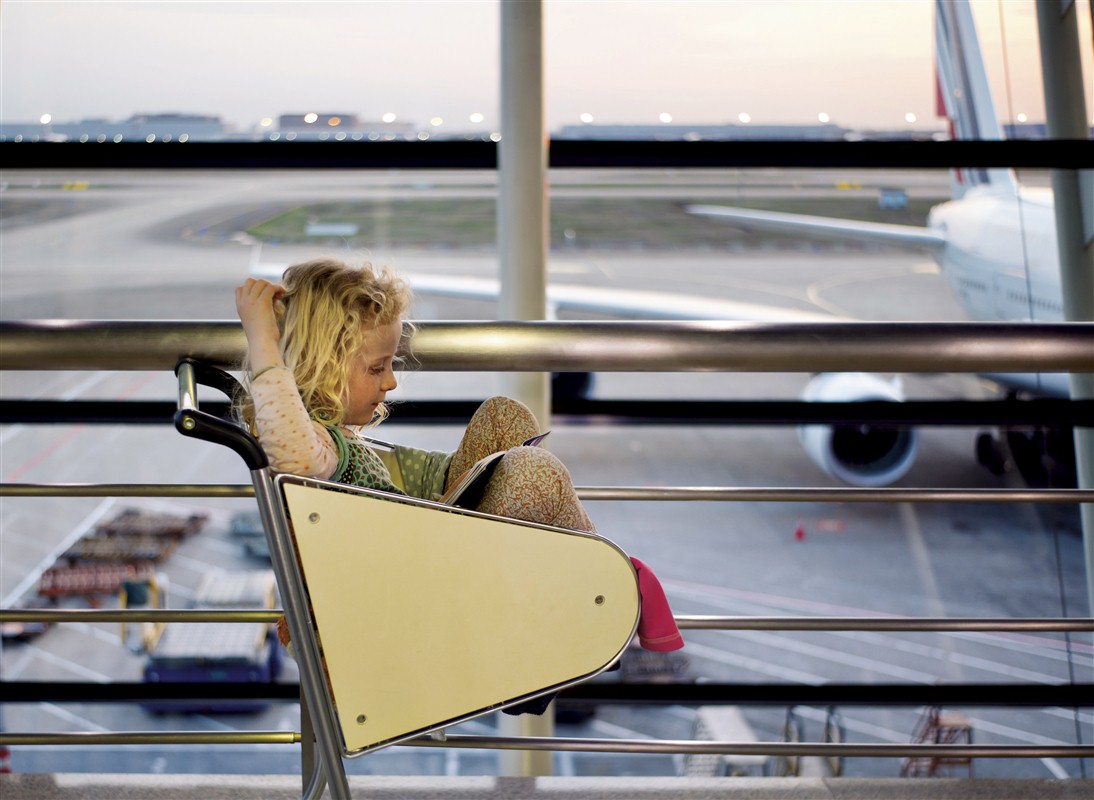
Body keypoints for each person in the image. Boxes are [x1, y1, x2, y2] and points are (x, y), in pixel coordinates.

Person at [235, 257, 683, 710]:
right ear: (321, 365)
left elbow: (398, 488)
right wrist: (263, 342)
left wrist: (479, 471)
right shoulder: (312, 448)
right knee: (534, 474)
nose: (391, 382)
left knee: (503, 415)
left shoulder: (335, 442)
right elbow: (289, 450)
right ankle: (595, 590)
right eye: (376, 368)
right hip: (415, 597)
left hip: (421, 562)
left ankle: (587, 580)